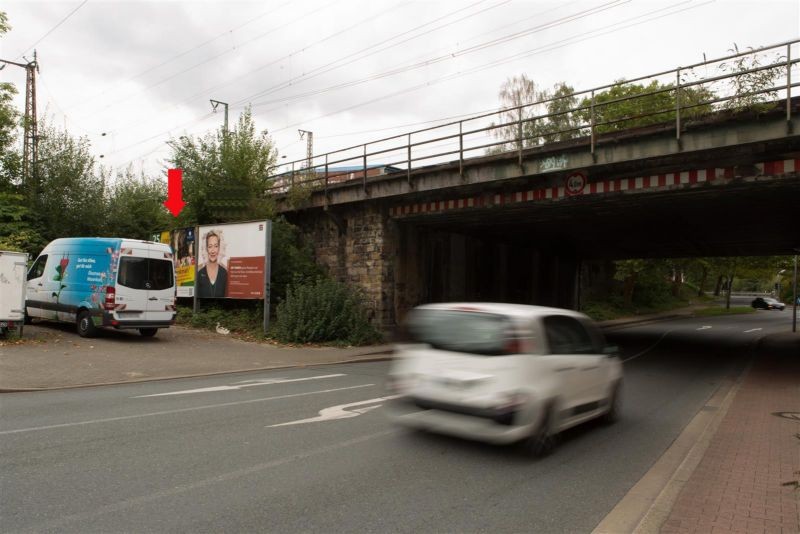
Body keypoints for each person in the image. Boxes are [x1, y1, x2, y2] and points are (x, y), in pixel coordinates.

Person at [197, 230, 227, 298]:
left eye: (216, 246)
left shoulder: (224, 273)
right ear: (206, 249)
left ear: (219, 248)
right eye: (210, 246)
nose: (213, 251)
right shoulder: (199, 273)